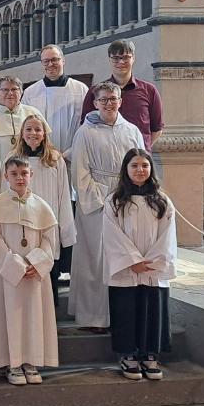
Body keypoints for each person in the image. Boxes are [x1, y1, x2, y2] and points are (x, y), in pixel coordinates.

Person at [69, 82, 145, 331]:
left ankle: (122, 315)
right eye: (103, 100)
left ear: (120, 101)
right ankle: (94, 317)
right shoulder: (85, 132)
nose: (109, 103)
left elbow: (140, 165)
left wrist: (131, 195)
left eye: (113, 99)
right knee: (96, 259)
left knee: (124, 256)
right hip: (97, 201)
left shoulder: (132, 130)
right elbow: (79, 172)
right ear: (95, 103)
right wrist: (101, 200)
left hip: (127, 198)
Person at [0, 157, 61, 386]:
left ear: (31, 175)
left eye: (24, 173)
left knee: (34, 316)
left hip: (34, 274)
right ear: (5, 176)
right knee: (9, 315)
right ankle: (12, 363)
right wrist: (16, 265)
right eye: (14, 173)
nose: (19, 178)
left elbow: (49, 240)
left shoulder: (42, 206)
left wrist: (37, 263)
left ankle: (31, 361)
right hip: (7, 274)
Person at [102, 149, 177, 381]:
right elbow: (112, 234)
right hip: (126, 270)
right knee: (126, 310)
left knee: (152, 309)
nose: (140, 170)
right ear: (126, 169)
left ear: (151, 169)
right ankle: (128, 355)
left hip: (153, 267)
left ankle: (149, 354)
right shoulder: (115, 201)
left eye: (145, 165)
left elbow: (167, 235)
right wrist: (132, 261)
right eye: (134, 165)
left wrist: (153, 260)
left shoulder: (162, 201)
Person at [13, 115, 78, 302]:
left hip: (49, 224)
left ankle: (49, 314)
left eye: (37, 129)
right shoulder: (13, 158)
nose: (33, 133)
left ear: (44, 134)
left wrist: (66, 230)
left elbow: (63, 196)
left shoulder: (55, 160)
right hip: (22, 223)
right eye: (28, 129)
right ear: (22, 133)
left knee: (48, 273)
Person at [80, 40, 164, 150]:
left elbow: (157, 129)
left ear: (133, 58)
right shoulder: (95, 91)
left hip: (138, 156)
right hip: (106, 155)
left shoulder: (149, 90)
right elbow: (86, 126)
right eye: (115, 58)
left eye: (125, 57)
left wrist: (141, 149)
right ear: (109, 59)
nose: (121, 62)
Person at [21, 44, 89, 153]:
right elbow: (25, 127)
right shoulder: (30, 92)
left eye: (54, 60)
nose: (50, 64)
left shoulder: (81, 89)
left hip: (75, 153)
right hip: (40, 155)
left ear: (63, 60)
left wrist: (70, 153)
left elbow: (87, 124)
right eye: (46, 61)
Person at [0, 76, 44, 153]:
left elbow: (45, 143)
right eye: (5, 90)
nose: (10, 93)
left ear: (21, 92)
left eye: (14, 89)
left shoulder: (33, 113)